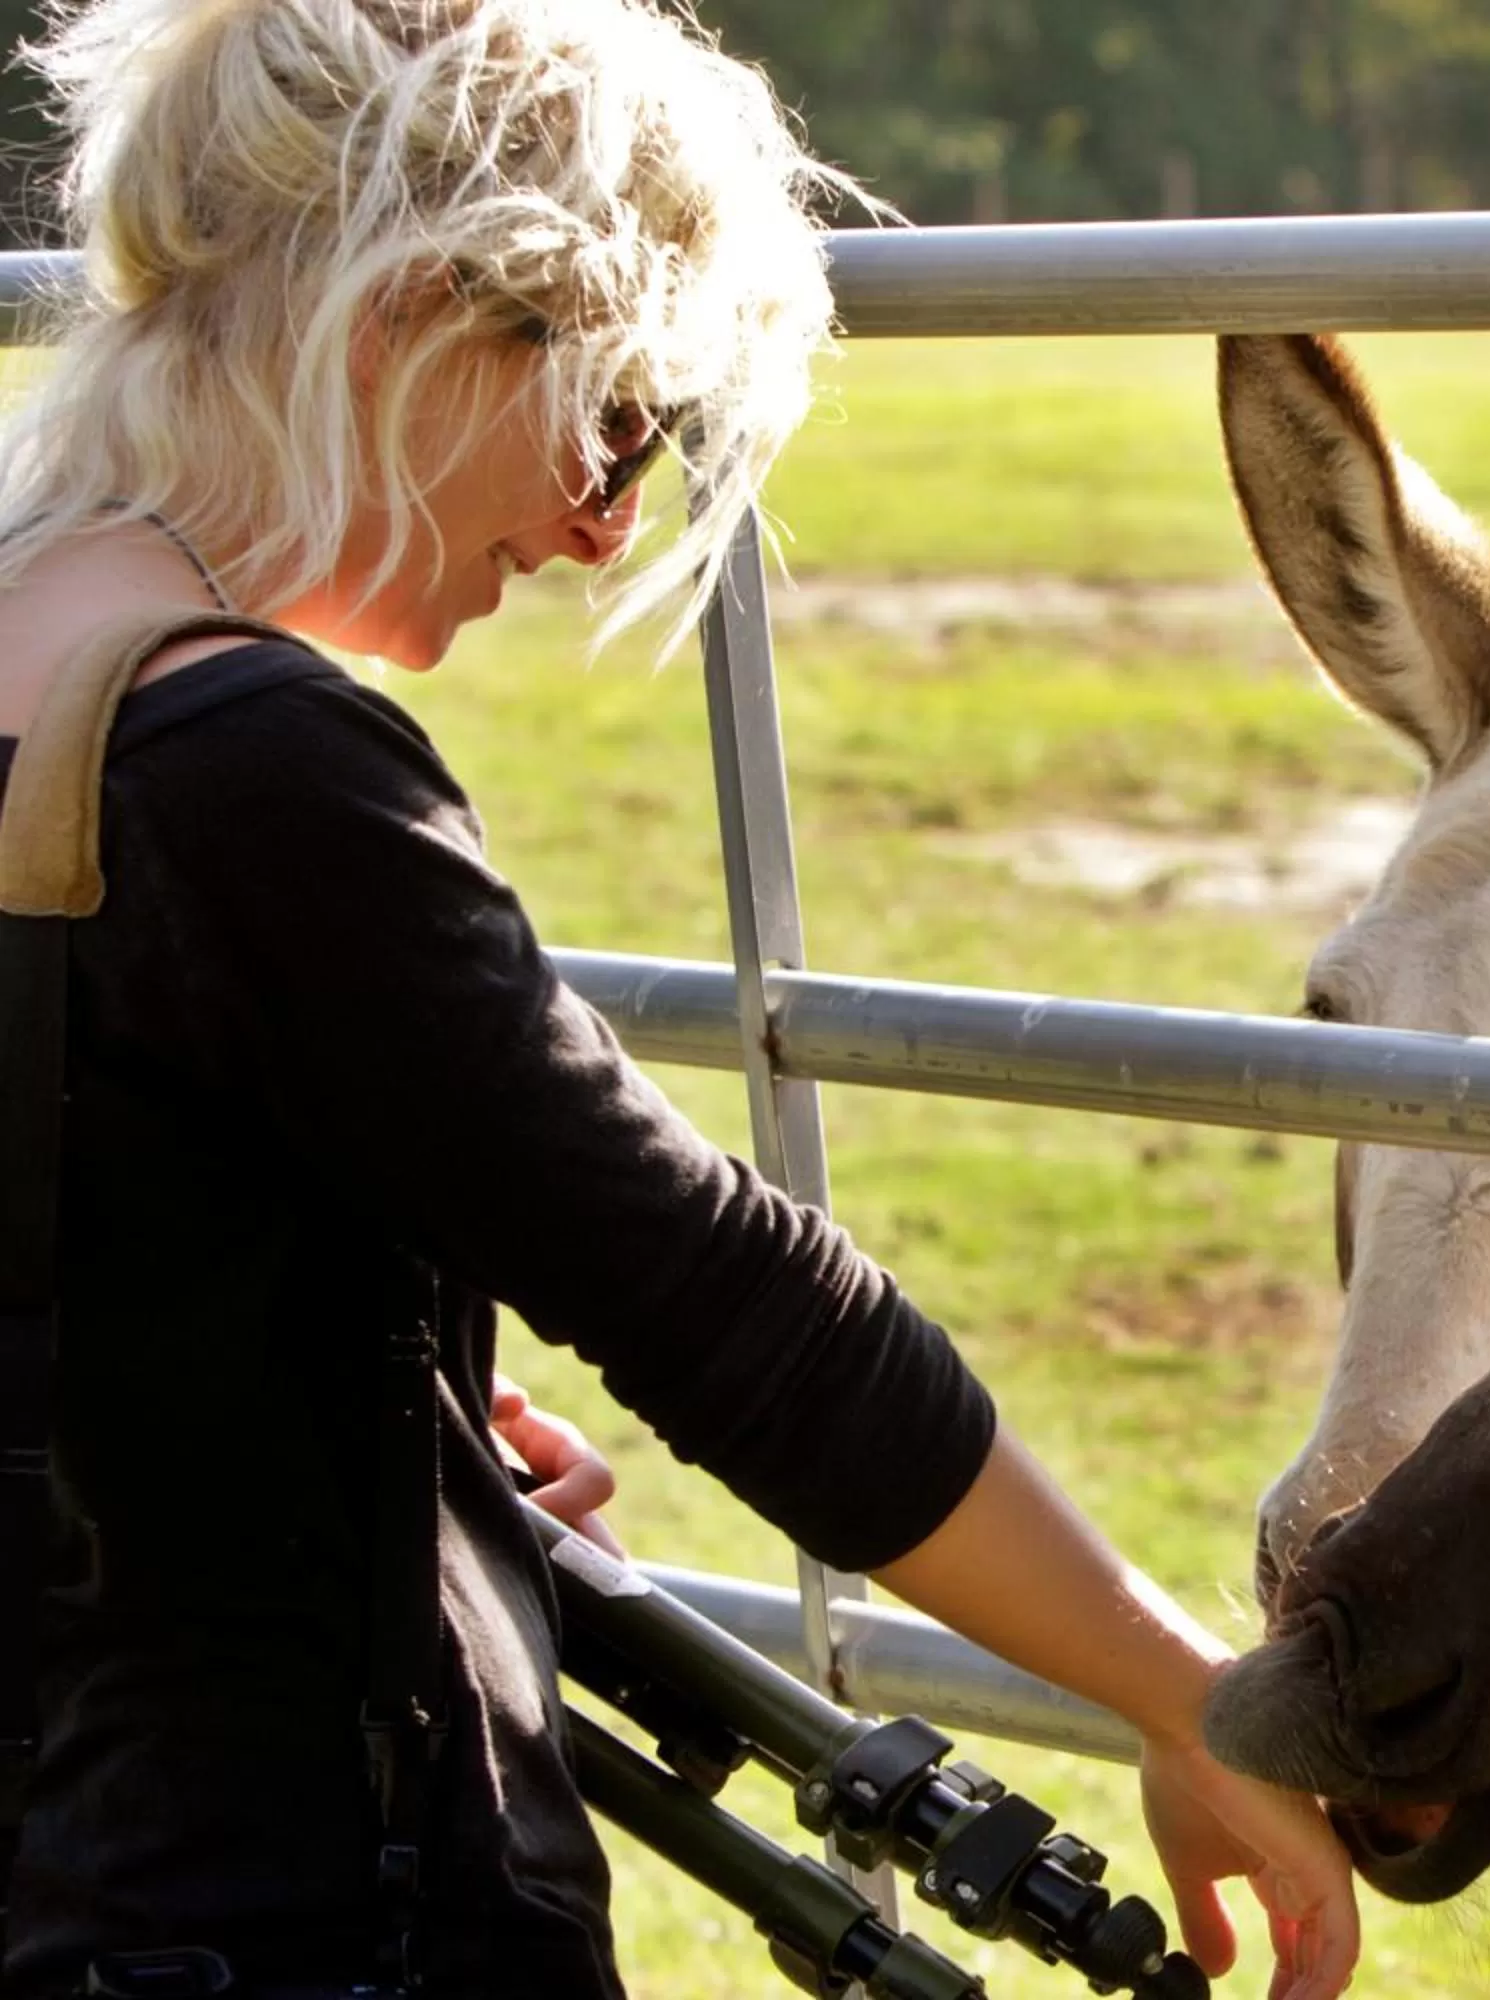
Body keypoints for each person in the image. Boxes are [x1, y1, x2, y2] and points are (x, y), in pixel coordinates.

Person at [0, 3, 1360, 1996]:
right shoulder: (255, 773)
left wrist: (345, 1380)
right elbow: (740, 1315)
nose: (600, 525)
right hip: (297, 1919)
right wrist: (1184, 1693)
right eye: (617, 416)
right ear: (424, 320)